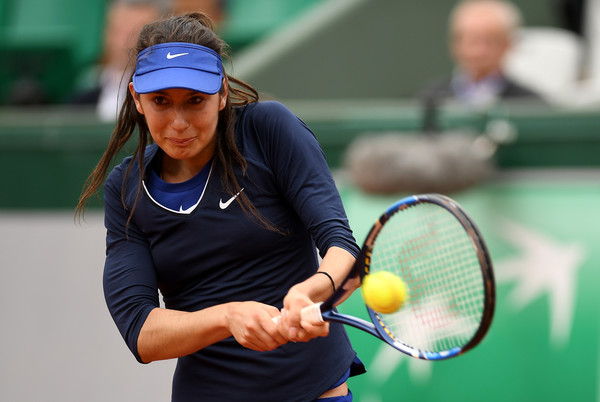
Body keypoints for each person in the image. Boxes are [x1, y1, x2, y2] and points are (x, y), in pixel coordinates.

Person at [76, 12, 365, 402]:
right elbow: (141, 331)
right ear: (137, 99)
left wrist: (311, 291)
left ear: (222, 93)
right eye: (161, 101)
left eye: (195, 101)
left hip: (316, 392)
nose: (178, 122)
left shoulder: (268, 130)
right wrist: (227, 317)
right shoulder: (126, 189)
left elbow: (342, 245)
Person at [419, 0, 540, 123]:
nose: (479, 51)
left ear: (508, 44)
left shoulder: (532, 106)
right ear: (455, 43)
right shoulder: (428, 98)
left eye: (490, 41)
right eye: (472, 41)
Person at [68, 0, 168, 121]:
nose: (124, 42)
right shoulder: (83, 95)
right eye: (118, 31)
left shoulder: (167, 96)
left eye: (136, 34)